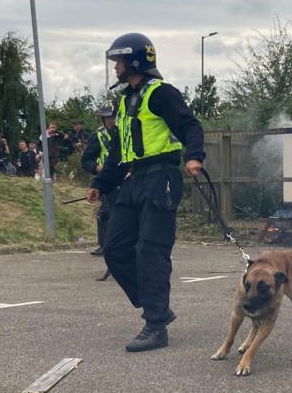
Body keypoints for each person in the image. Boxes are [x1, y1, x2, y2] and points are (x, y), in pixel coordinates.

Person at [87, 33, 205, 353]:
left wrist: (194, 156)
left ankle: (155, 325)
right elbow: (117, 152)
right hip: (133, 180)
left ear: (136, 61)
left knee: (150, 251)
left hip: (161, 178)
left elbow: (190, 125)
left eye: (120, 61)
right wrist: (101, 184)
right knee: (115, 248)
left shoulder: (162, 93)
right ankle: (158, 308)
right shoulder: (124, 102)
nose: (116, 68)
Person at [82, 105, 118, 256]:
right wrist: (97, 167)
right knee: (106, 213)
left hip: (128, 177)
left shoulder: (127, 131)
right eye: (107, 118)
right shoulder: (98, 136)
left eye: (113, 117)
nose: (110, 121)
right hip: (107, 179)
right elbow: (86, 159)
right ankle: (105, 245)